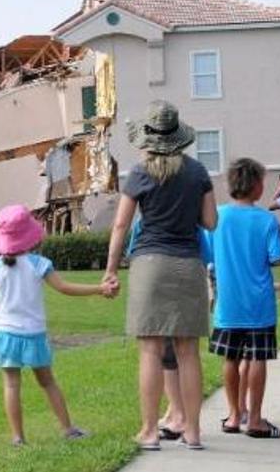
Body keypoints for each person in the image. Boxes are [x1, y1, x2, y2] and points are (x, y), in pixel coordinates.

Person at [103, 100, 217, 451]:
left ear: (148, 137)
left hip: (149, 265)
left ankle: (150, 431)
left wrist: (110, 270)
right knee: (188, 352)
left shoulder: (139, 174)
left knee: (150, 351)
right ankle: (194, 432)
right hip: (187, 264)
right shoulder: (198, 172)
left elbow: (121, 224)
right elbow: (211, 222)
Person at [0, 204, 118, 446]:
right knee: (47, 382)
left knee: (11, 384)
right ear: (29, 236)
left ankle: (18, 438)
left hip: (3, 334)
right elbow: (65, 288)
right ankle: (68, 429)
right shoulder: (39, 264)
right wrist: (99, 289)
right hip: (33, 334)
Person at [208, 158, 280, 439]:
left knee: (230, 359)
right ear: (254, 185)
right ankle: (255, 419)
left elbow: (208, 256)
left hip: (228, 305)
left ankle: (232, 416)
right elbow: (277, 258)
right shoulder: (267, 220)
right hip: (259, 305)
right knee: (257, 360)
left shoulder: (217, 218)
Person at [127, 218, 214, 441]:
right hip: (187, 277)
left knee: (161, 354)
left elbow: (134, 253)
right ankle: (188, 425)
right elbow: (205, 256)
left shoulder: (145, 221)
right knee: (185, 353)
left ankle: (176, 416)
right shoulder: (192, 222)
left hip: (155, 280)